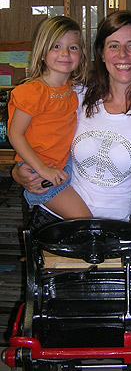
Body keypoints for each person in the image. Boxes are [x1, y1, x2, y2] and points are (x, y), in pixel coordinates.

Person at [12, 10, 131, 231]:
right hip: (54, 220)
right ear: (102, 54)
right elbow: (30, 134)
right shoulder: (76, 96)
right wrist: (19, 172)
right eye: (113, 46)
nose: (122, 55)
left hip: (110, 230)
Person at [7, 15, 92, 220]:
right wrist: (43, 170)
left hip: (63, 165)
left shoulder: (72, 90)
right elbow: (15, 134)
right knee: (85, 221)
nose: (65, 53)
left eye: (73, 47)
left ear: (81, 54)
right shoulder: (32, 91)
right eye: (56, 46)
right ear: (42, 53)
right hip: (40, 170)